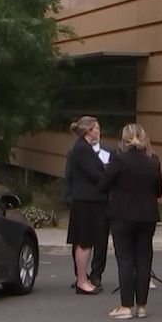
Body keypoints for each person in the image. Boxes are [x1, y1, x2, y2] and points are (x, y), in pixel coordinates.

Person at [98, 123, 162, 320]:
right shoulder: (153, 161)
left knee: (125, 260)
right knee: (144, 259)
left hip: (122, 214)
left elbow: (103, 185)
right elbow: (159, 190)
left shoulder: (119, 159)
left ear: (124, 139)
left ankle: (126, 305)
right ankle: (142, 306)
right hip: (147, 215)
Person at [64, 116, 107, 295]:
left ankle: (84, 279)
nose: (99, 130)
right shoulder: (82, 149)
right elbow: (94, 174)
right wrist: (109, 172)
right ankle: (82, 280)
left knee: (87, 241)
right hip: (85, 201)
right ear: (89, 130)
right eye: (96, 127)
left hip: (90, 201)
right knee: (84, 241)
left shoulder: (84, 148)